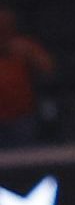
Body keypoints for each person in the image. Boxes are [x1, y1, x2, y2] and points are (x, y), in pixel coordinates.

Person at [0, 9, 53, 149]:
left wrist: (29, 55)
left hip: (22, 118)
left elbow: (48, 70)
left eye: (5, 25)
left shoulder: (25, 46)